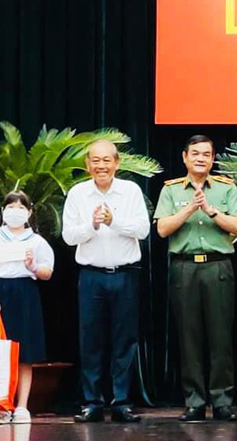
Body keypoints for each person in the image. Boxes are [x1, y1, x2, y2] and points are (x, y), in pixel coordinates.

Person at [154, 135, 237, 422]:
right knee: (188, 336)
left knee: (220, 337)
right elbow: (162, 230)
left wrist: (211, 210)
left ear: (213, 158)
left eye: (206, 154)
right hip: (184, 268)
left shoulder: (226, 189)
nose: (201, 159)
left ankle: (221, 401)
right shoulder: (170, 190)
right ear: (184, 157)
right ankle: (194, 401)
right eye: (195, 154)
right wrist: (189, 209)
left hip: (218, 268)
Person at [62, 140, 150, 423]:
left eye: (106, 160)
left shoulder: (131, 191)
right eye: (95, 161)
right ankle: (92, 402)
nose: (101, 166)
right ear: (87, 164)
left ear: (117, 163)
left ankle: (122, 402)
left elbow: (143, 230)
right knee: (91, 340)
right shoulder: (77, 193)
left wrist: (113, 221)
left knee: (125, 340)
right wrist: (93, 225)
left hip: (125, 275)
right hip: (91, 277)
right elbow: (68, 237)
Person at [0, 191, 55, 424]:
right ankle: (2, 406)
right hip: (0, 294)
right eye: (10, 207)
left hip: (26, 294)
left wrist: (32, 266)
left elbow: (47, 273)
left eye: (21, 208)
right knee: (0, 353)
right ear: (2, 211)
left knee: (26, 353)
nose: (15, 212)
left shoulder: (37, 241)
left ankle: (22, 406)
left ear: (29, 212)